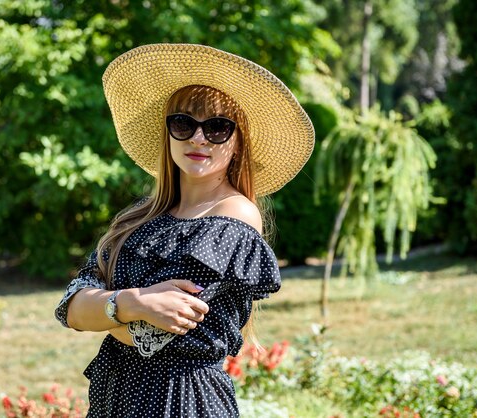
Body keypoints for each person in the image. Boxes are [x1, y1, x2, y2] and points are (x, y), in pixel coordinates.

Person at [54, 43, 314, 418]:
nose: (198, 138)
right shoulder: (137, 219)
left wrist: (107, 306)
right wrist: (135, 303)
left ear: (239, 141)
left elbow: (157, 333)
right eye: (183, 123)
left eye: (218, 127)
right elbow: (70, 308)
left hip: (182, 401)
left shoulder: (235, 215)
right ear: (168, 132)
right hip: (116, 399)